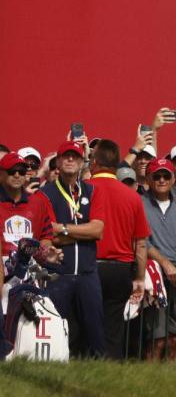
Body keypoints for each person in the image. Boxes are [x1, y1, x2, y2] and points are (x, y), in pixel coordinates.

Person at [29, 141, 105, 358]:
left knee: (95, 334)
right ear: (58, 163)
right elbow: (47, 235)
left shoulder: (92, 190)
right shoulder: (45, 194)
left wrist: (62, 229)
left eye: (75, 157)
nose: (71, 160)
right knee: (57, 332)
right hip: (57, 274)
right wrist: (82, 232)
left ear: (82, 162)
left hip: (87, 274)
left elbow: (98, 230)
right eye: (66, 157)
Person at [89, 139, 150, 360]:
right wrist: (140, 278)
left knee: (86, 326)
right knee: (114, 330)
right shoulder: (133, 197)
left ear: (94, 163)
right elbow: (141, 243)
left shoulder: (85, 190)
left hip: (90, 267)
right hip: (120, 270)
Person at [141, 158, 176, 362]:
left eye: (166, 175)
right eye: (157, 176)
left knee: (175, 337)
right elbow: (141, 241)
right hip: (154, 274)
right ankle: (149, 383)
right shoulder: (140, 203)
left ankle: (171, 384)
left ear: (173, 179)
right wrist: (166, 264)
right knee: (156, 336)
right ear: (149, 178)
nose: (162, 179)